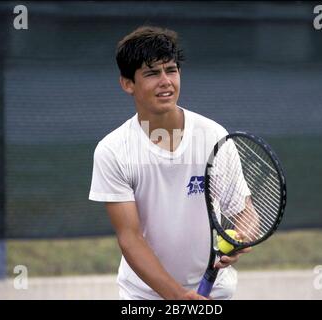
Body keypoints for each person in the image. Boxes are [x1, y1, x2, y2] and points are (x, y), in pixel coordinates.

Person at [89, 26, 251, 300]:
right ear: (128, 83)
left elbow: (244, 210)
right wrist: (179, 296)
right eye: (152, 73)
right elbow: (130, 239)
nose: (165, 81)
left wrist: (242, 237)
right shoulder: (112, 151)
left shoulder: (214, 136)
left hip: (216, 291)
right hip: (144, 296)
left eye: (171, 70)